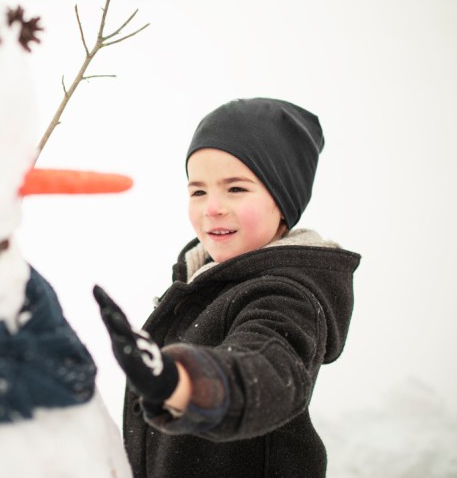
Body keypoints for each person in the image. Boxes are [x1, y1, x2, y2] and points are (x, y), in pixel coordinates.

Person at [94, 97, 360, 478]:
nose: (212, 208)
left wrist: (182, 382)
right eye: (198, 191)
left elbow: (270, 371)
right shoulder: (202, 280)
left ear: (283, 202)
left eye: (236, 189)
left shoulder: (287, 295)